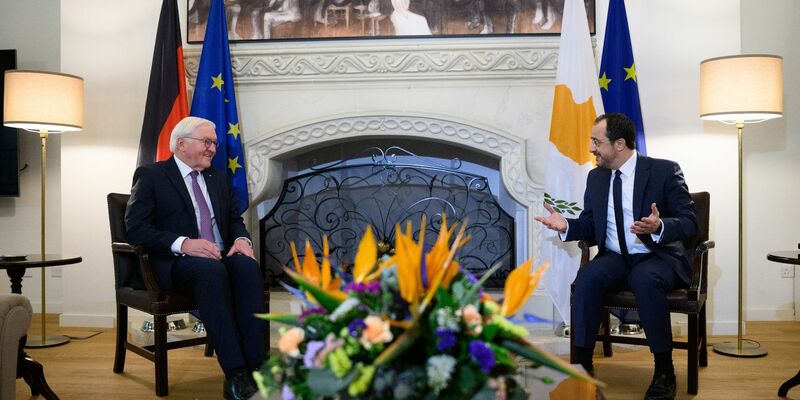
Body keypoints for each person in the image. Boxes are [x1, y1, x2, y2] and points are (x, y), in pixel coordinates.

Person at [535, 113, 697, 400]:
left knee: (644, 277)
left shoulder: (664, 171)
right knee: (588, 276)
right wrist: (567, 226)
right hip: (617, 257)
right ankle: (581, 367)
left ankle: (663, 370)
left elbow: (690, 223)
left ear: (620, 144)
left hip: (656, 256)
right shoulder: (596, 178)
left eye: (597, 142)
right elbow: (591, 228)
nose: (591, 149)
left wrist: (660, 226)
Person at [125, 116, 266, 400]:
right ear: (181, 144)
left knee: (248, 268)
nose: (213, 148)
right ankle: (236, 372)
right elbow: (136, 229)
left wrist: (241, 240)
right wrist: (184, 243)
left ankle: (257, 367)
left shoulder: (218, 178)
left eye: (214, 142)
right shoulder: (151, 175)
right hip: (176, 263)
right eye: (207, 142)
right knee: (209, 271)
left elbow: (233, 220)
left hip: (219, 256)